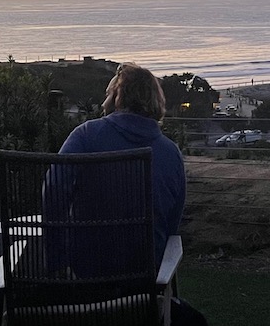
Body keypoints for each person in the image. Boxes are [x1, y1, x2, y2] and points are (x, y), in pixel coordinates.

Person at [54, 62, 186, 264]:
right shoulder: (171, 153)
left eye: (108, 94)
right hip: (145, 280)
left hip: (86, 274)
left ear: (118, 97)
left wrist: (58, 255)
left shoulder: (86, 135)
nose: (102, 103)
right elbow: (171, 223)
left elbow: (54, 190)